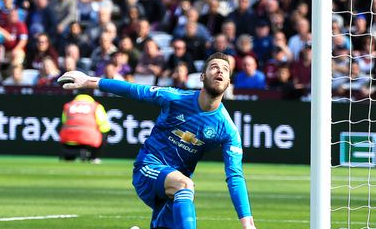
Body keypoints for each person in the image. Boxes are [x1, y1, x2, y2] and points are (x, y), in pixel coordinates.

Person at [58, 53, 256, 229]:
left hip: (174, 192)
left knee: (183, 188)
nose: (219, 71)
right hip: (149, 168)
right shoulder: (174, 98)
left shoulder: (228, 130)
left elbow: (235, 176)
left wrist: (247, 223)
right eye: (214, 67)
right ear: (202, 77)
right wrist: (88, 81)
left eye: (225, 69)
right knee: (186, 185)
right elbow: (133, 89)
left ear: (229, 81)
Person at [59, 92, 111, 164]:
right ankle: (94, 158)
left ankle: (69, 156)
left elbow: (64, 121)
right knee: (104, 132)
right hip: (89, 137)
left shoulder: (68, 105)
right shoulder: (96, 106)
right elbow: (103, 124)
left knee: (65, 131)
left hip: (69, 137)